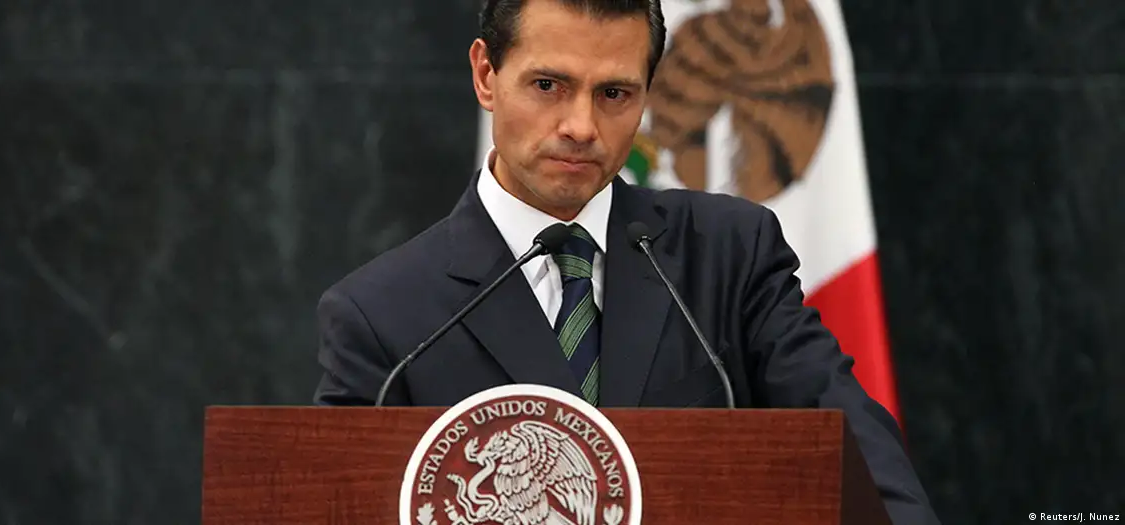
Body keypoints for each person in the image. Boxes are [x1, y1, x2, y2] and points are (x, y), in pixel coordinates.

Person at [314, 0, 939, 522]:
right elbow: (335, 504)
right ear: (485, 75)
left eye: (614, 93)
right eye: (548, 85)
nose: (581, 126)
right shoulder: (381, 315)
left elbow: (857, 455)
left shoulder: (730, 254)